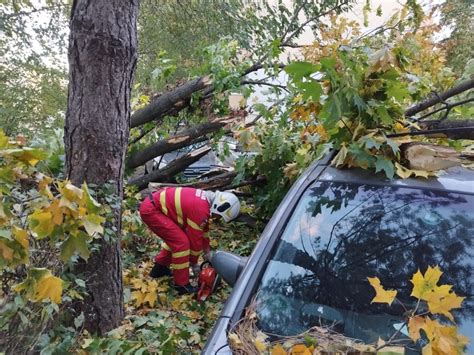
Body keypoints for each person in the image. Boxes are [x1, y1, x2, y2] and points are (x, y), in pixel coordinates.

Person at [139, 187, 240, 295]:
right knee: (181, 243)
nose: (216, 218)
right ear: (219, 206)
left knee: (177, 238)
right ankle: (181, 285)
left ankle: (160, 268)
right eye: (219, 216)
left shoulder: (204, 202)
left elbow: (203, 231)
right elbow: (195, 240)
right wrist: (194, 263)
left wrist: (207, 251)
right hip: (152, 210)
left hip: (155, 207)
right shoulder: (200, 209)